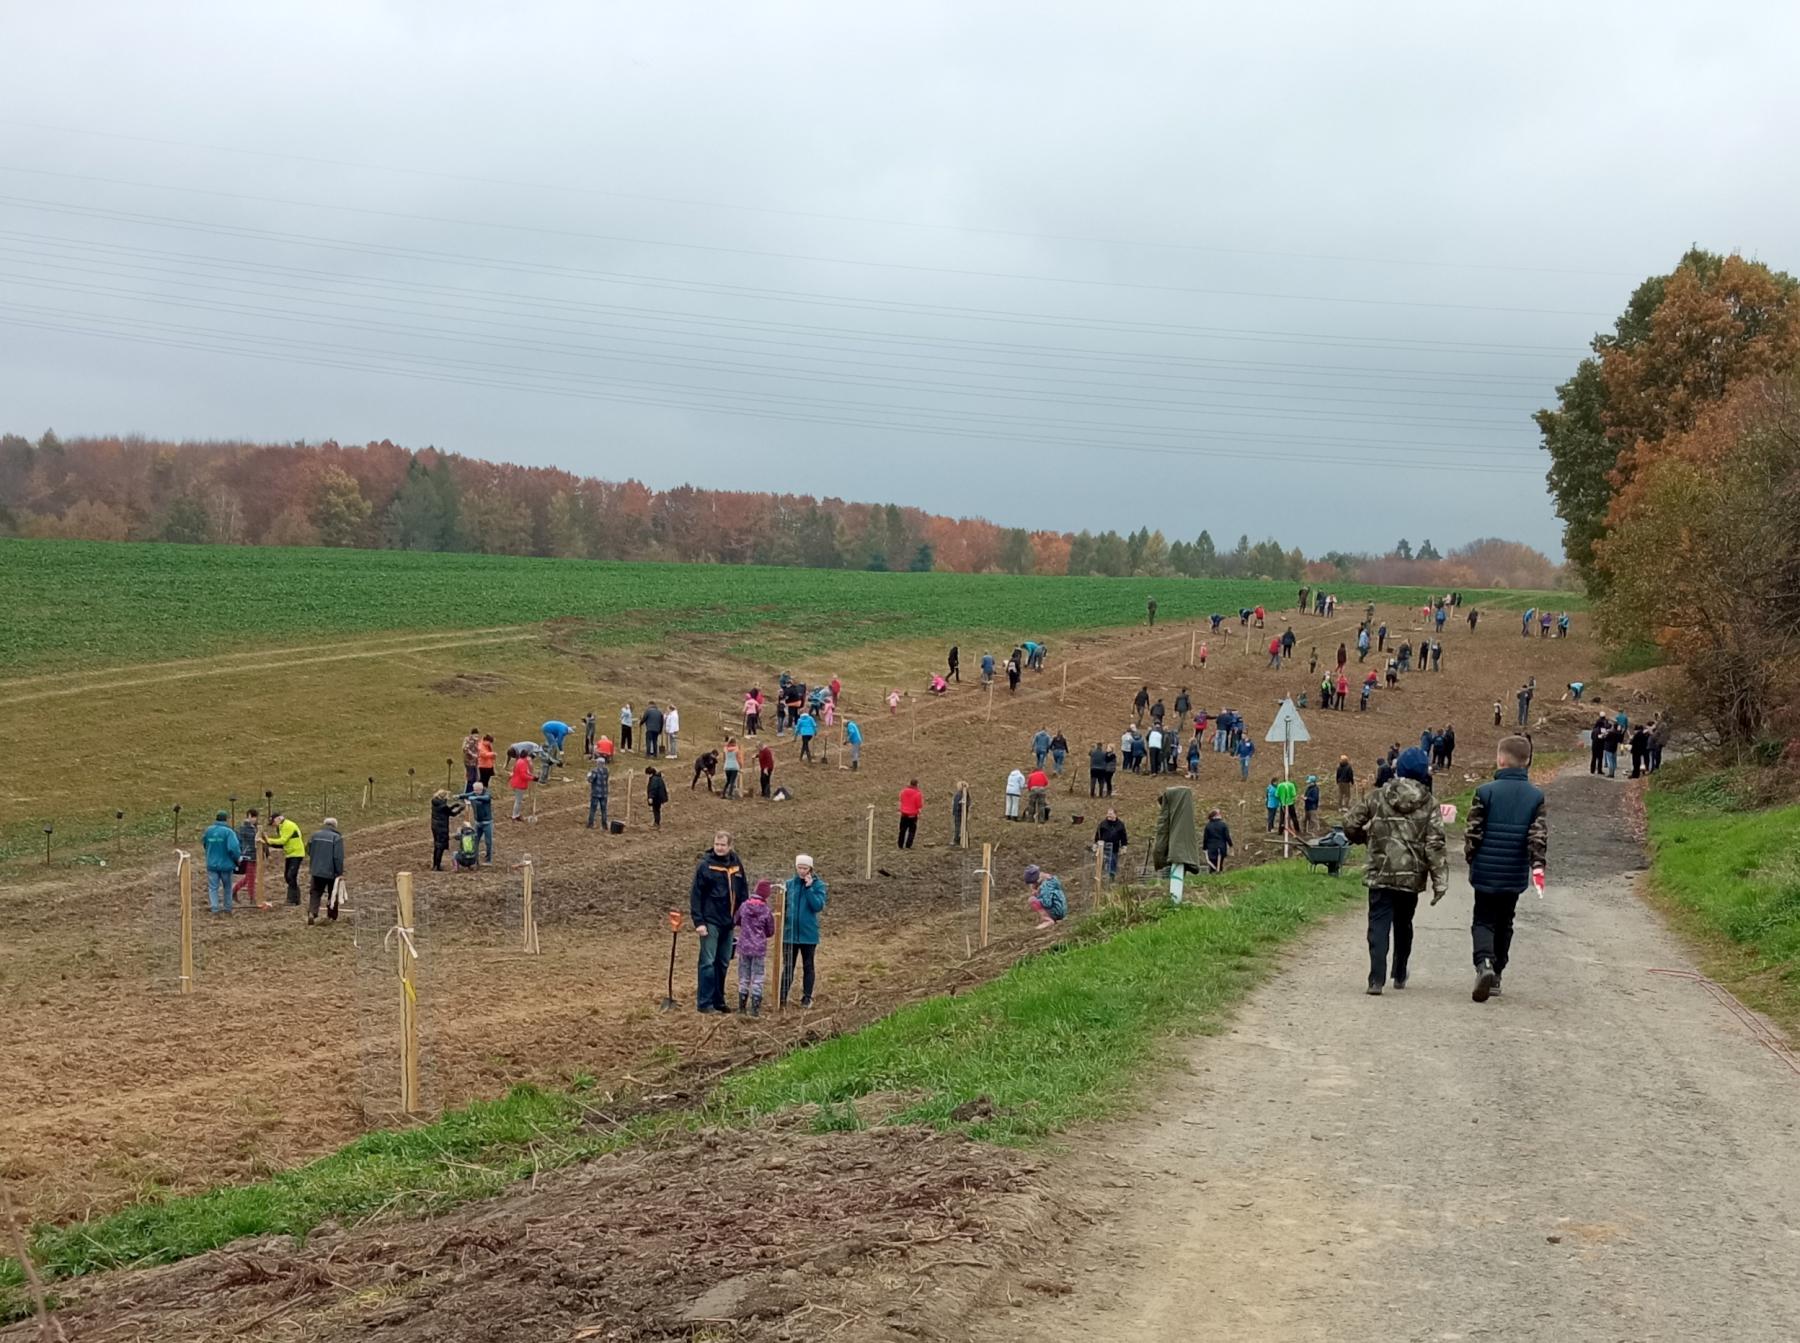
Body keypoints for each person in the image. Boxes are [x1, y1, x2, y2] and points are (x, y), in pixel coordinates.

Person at [1343, 748, 1447, 995]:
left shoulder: (1377, 796)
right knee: (1403, 923)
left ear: (1397, 770)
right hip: (1410, 877)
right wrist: (1439, 880)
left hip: (1380, 871)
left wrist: (1364, 837)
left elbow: (1349, 822)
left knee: (1378, 924)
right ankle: (1399, 972)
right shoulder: (1430, 804)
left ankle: (1375, 979)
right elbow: (1434, 844)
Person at [1464, 735, 1548, 1002]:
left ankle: (1484, 963)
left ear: (1501, 759)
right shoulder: (1536, 796)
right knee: (1505, 921)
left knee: (1483, 920)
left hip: (1486, 870)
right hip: (1514, 870)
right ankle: (1498, 973)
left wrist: (1472, 858)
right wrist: (1536, 865)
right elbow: (1538, 836)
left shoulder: (1485, 792)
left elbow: (1473, 833)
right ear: (1527, 762)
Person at [689, 830, 748, 1014]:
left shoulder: (736, 865)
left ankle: (718, 1000)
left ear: (730, 846)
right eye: (717, 844)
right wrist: (699, 921)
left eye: (723, 845)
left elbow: (743, 891)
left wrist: (743, 916)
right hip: (710, 920)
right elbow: (696, 895)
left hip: (728, 922)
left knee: (723, 961)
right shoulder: (706, 866)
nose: (719, 848)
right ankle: (704, 1003)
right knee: (707, 961)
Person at [781, 855, 829, 1007]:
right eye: (799, 868)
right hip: (790, 934)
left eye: (805, 868)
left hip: (808, 935)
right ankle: (782, 997)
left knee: (808, 965)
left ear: (811, 869)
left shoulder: (818, 886)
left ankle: (807, 997)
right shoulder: (789, 885)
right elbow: (783, 906)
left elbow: (817, 906)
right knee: (788, 966)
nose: (802, 871)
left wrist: (809, 889)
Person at [733, 879, 776, 1017]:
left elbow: (736, 920)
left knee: (744, 976)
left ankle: (741, 1007)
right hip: (759, 949)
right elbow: (770, 931)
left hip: (744, 947)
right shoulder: (766, 910)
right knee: (758, 977)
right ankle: (755, 1009)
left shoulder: (744, 906)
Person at [306, 817, 346, 926]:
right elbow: (338, 857)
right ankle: (331, 916)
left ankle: (312, 913)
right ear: (335, 826)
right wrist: (340, 872)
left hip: (316, 870)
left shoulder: (314, 835)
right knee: (332, 894)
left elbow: (308, 850)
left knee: (315, 892)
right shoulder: (337, 838)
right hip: (331, 871)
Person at [201, 810, 242, 914]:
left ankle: (214, 908)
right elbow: (233, 848)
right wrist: (237, 858)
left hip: (211, 864)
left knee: (213, 887)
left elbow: (205, 843)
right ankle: (227, 907)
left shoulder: (208, 830)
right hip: (226, 865)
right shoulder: (228, 832)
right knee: (227, 887)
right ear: (226, 819)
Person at [263, 811, 303, 906]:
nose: (273, 825)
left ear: (278, 819)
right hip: (290, 854)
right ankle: (296, 898)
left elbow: (282, 841)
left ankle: (292, 899)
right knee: (288, 876)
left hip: (296, 853)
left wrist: (268, 840)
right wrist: (268, 842)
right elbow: (283, 844)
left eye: (273, 822)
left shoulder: (287, 826)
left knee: (291, 876)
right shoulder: (281, 827)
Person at [231, 808, 262, 907]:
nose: (254, 819)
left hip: (255, 855)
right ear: (248, 816)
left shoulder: (254, 827)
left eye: (255, 817)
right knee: (251, 877)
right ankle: (252, 897)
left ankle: (235, 890)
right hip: (248, 855)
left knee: (250, 876)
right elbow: (253, 839)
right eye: (252, 817)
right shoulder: (245, 828)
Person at [1024, 864, 1067, 929]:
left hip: (1057, 911)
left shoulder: (1045, 886)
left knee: (1032, 900)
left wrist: (1037, 895)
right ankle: (1052, 918)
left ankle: (1047, 920)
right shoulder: (1051, 880)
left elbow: (1047, 903)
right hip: (1061, 910)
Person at [430, 789, 463, 870]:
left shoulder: (435, 803)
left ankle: (435, 864)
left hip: (435, 826)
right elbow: (452, 813)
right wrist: (460, 809)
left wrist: (454, 806)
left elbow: (446, 810)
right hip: (442, 827)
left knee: (436, 846)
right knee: (440, 846)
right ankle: (437, 866)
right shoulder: (443, 806)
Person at [1094, 808, 1128, 878]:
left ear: (1115, 815)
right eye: (1108, 813)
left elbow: (1123, 836)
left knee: (1113, 861)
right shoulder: (1103, 824)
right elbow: (1098, 834)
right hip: (1104, 847)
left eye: (1110, 814)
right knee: (1105, 860)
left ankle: (1111, 875)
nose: (1108, 815)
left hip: (1115, 847)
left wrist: (1124, 846)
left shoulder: (1120, 825)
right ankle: (1103, 875)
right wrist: (1096, 843)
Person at [509, 750, 535, 821]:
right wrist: (532, 778)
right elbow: (523, 775)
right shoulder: (522, 763)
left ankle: (517, 814)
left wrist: (532, 776)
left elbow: (526, 772)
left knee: (519, 800)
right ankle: (515, 816)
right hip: (519, 784)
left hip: (518, 783)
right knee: (518, 801)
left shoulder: (520, 761)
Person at [586, 757, 611, 828]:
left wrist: (588, 776)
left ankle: (590, 823)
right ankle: (604, 824)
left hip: (596, 793)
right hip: (604, 793)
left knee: (593, 809)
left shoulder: (595, 771)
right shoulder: (606, 770)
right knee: (604, 809)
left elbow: (590, 780)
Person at [898, 779, 924, 848]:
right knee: (911, 831)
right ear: (917, 784)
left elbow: (901, 799)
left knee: (902, 830)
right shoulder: (918, 794)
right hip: (912, 815)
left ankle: (900, 844)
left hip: (904, 814)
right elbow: (919, 805)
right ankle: (908, 845)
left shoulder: (903, 791)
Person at [952, 780, 970, 847]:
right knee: (958, 826)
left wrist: (959, 806)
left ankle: (957, 840)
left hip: (960, 813)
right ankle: (958, 839)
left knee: (959, 827)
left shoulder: (964, 794)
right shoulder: (959, 793)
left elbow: (967, 803)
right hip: (957, 812)